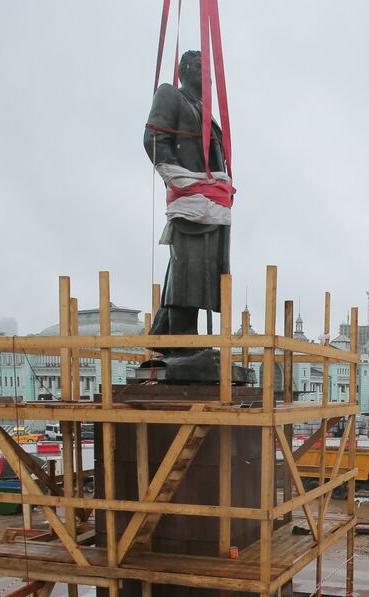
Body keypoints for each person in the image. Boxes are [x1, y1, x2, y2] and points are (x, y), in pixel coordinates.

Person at [143, 50, 233, 381]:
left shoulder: (206, 112)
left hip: (211, 204)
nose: (207, 77)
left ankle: (167, 336)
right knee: (188, 269)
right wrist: (180, 179)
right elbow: (154, 138)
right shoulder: (172, 95)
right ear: (185, 71)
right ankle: (181, 343)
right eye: (201, 70)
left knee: (203, 273)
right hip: (192, 199)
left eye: (209, 72)